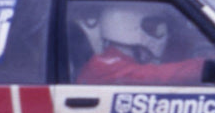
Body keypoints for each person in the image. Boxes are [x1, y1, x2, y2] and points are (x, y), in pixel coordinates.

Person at [75, 5, 208, 85]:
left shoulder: (119, 62)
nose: (160, 35)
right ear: (129, 28)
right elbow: (159, 75)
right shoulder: (103, 65)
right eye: (152, 28)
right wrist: (208, 65)